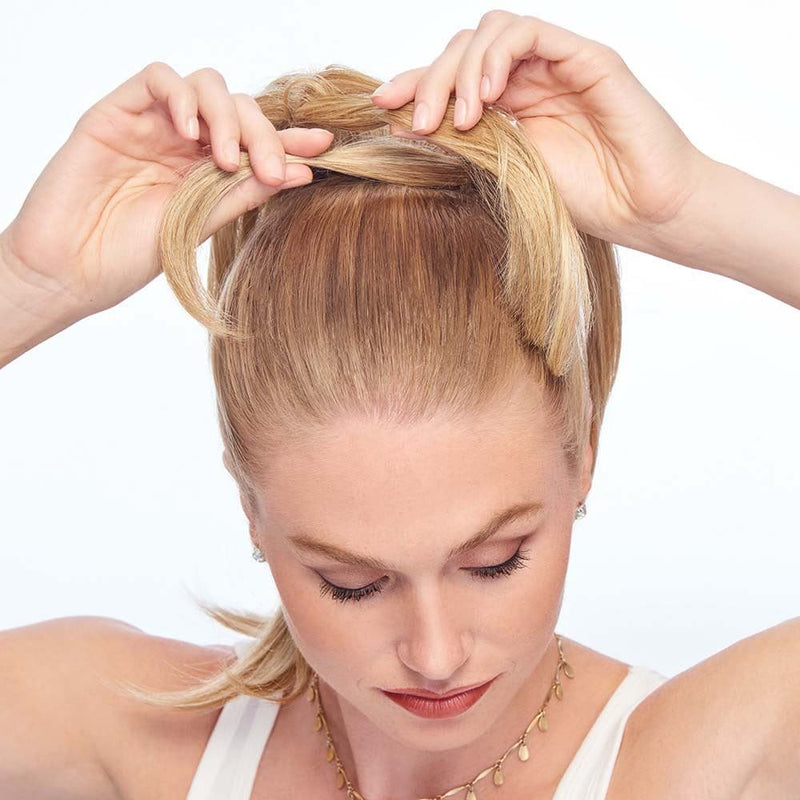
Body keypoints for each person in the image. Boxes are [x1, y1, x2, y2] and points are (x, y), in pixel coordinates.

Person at [1, 9, 799, 800]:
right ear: (251, 511)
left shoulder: (698, 761)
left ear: (582, 458)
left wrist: (691, 207)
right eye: (351, 582)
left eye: (495, 562)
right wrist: (28, 285)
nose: (436, 655)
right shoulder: (129, 736)